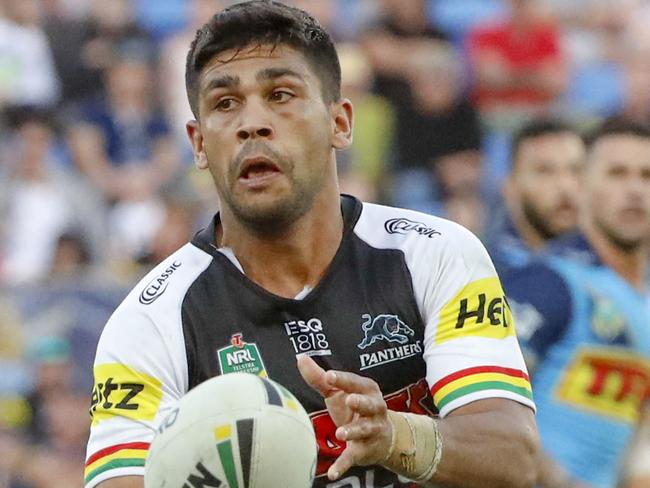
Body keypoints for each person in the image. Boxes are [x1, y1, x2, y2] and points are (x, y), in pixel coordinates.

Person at [84, 2, 538, 488]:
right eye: (224, 103)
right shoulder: (150, 321)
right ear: (197, 144)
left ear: (340, 123)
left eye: (280, 95)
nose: (251, 124)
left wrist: (395, 437)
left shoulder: (435, 253)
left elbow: (513, 454)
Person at [503, 118, 650, 488]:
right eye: (617, 174)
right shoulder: (548, 282)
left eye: (647, 175)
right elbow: (492, 410)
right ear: (582, 188)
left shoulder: (642, 298)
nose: (635, 190)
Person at [487, 118, 585, 274]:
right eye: (545, 171)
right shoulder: (482, 271)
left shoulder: (612, 270)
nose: (566, 186)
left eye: (576, 170)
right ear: (510, 187)